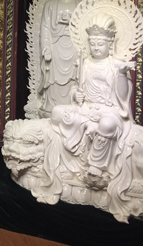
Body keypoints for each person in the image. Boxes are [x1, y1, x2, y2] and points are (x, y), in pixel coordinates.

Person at [49, 14, 133, 180]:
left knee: (107, 124)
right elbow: (75, 86)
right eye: (92, 44)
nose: (96, 48)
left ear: (110, 44)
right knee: (56, 112)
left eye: (100, 44)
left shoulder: (116, 64)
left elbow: (123, 96)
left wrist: (123, 74)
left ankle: (96, 163)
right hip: (86, 108)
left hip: (108, 110)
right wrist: (76, 94)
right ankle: (88, 126)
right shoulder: (84, 63)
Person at [38, 0, 80, 115]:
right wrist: (46, 47)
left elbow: (85, 26)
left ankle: (72, 105)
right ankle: (51, 105)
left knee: (74, 76)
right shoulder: (50, 5)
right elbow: (45, 27)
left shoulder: (80, 4)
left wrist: (72, 22)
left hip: (74, 46)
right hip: (55, 46)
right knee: (53, 78)